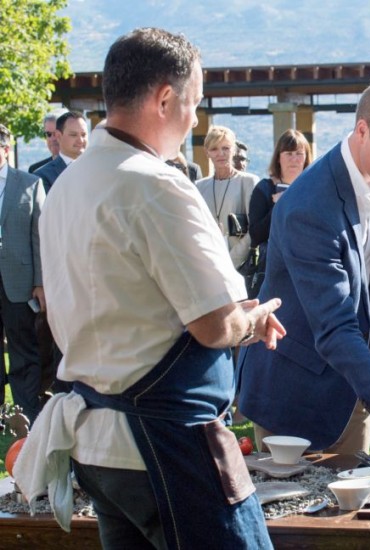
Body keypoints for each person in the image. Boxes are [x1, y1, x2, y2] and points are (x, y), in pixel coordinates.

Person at [15, 27, 284, 549]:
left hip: (97, 446)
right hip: (162, 442)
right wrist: (249, 319)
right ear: (166, 97)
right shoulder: (155, 184)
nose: (194, 120)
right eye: (195, 103)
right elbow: (212, 325)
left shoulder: (67, 184)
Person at [237, 78, 370, 466]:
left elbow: (354, 278)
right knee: (299, 522)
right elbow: (333, 328)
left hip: (354, 386)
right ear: (362, 131)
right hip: (295, 395)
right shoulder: (310, 207)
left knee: (356, 517)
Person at [0, 124, 46, 423]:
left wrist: (40, 282)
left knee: (23, 352)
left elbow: (39, 236)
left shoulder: (29, 183)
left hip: (19, 284)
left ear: (5, 149)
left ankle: (26, 415)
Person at [247, 129, 312, 298]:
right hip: (274, 271)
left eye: (299, 153)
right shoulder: (264, 189)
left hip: (308, 267)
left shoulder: (314, 189)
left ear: (306, 157)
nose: (294, 159)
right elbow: (256, 235)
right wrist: (279, 207)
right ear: (278, 157)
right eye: (288, 153)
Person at [196, 126, 259, 269]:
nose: (220, 154)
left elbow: (254, 229)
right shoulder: (199, 187)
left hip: (239, 266)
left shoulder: (248, 182)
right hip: (207, 265)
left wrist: (231, 262)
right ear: (207, 152)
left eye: (226, 148)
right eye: (214, 149)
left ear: (234, 150)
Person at [33, 110, 88, 192]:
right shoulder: (42, 176)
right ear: (59, 135)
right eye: (73, 135)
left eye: (83, 135)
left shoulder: (98, 168)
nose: (80, 140)